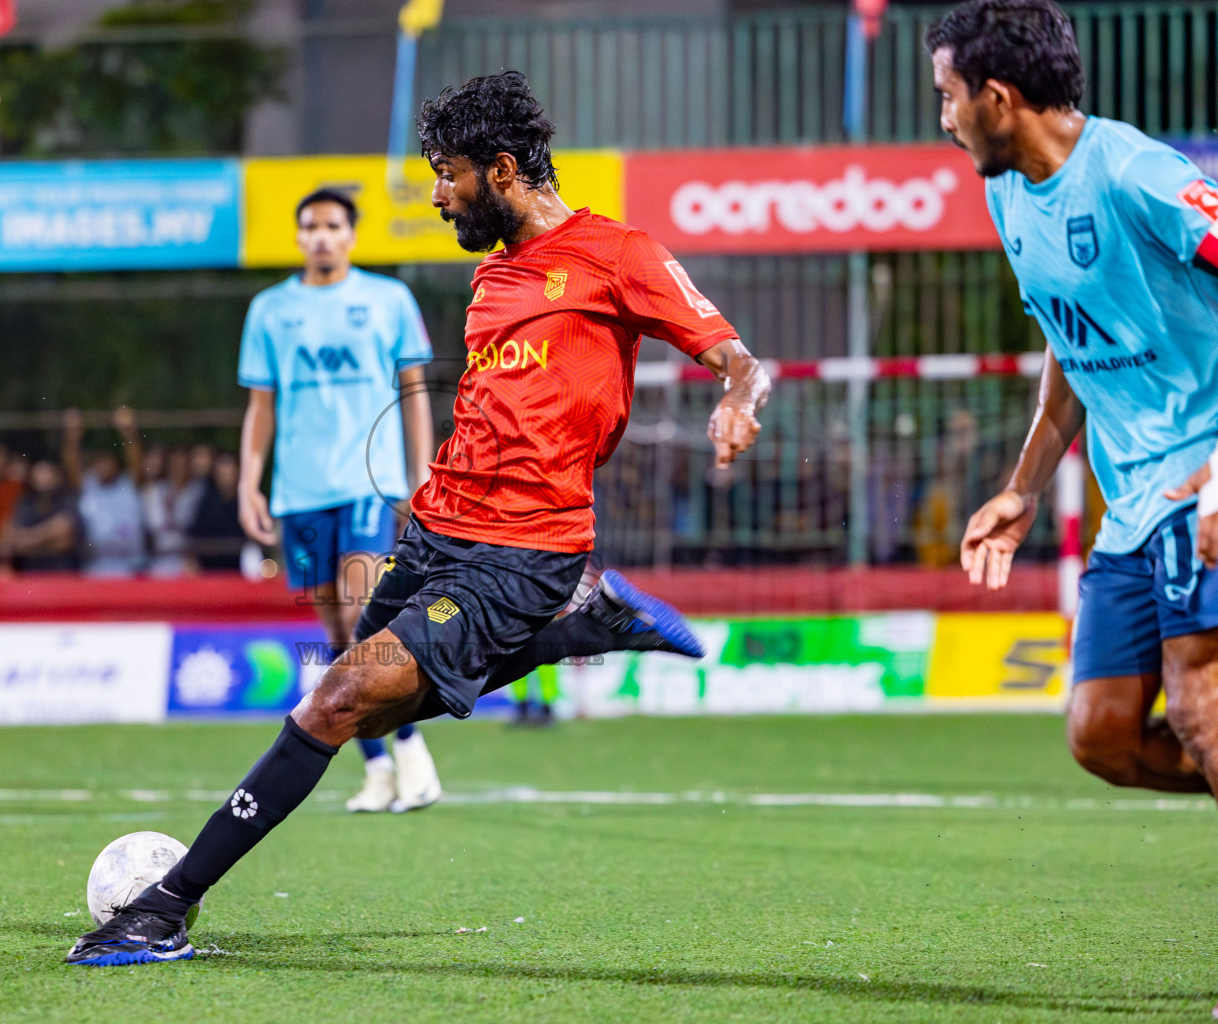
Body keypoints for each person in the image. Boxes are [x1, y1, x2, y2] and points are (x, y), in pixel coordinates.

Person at [68, 70, 767, 966]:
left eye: (448, 174)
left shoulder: (620, 257)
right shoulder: (488, 285)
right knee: (361, 708)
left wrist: (738, 399)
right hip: (433, 533)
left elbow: (737, 359)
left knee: (337, 698)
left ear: (503, 169)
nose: (437, 195)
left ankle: (166, 907)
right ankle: (596, 624)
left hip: (524, 551)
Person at [932, 0, 1218, 796]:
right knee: (1103, 736)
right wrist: (1022, 488)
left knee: (1202, 703)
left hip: (1202, 478)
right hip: (1132, 500)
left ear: (996, 97)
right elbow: (1071, 342)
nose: (945, 120)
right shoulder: (1008, 194)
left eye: (947, 96)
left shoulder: (1136, 173)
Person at [235, 186, 442, 814]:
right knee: (332, 629)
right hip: (299, 492)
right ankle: (377, 768)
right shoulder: (270, 310)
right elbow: (261, 407)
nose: (321, 236)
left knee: (363, 619)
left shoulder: (388, 300)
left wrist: (420, 478)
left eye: (332, 225)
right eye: (310, 227)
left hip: (367, 485)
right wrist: (250, 482)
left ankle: (412, 755)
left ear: (351, 234)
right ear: (298, 237)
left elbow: (414, 393)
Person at [64, 407, 148, 577]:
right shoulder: (89, 485)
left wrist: (129, 433)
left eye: (107, 460)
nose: (103, 465)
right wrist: (72, 437)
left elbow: (137, 461)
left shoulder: (129, 484)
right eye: (98, 461)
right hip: (96, 569)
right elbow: (71, 467)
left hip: (131, 568)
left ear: (116, 462)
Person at [1, 458, 81, 573]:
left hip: (62, 572)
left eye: (47, 472)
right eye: (39, 472)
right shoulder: (25, 501)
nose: (43, 477)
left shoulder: (67, 498)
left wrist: (28, 540)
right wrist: (49, 538)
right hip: (30, 573)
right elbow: (12, 538)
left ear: (57, 475)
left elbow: (64, 533)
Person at [143, 445, 201, 577]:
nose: (178, 467)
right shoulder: (155, 490)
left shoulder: (197, 491)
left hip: (188, 561)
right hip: (158, 561)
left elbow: (194, 525)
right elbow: (153, 525)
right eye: (174, 463)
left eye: (182, 463)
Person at [187, 451, 248, 572]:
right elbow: (196, 534)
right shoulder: (206, 503)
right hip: (209, 571)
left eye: (228, 470)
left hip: (240, 570)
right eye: (220, 471)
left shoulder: (245, 503)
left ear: (237, 471)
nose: (224, 474)